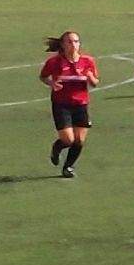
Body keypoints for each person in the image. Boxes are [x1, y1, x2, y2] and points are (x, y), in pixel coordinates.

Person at [38, 31, 98, 177]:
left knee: (79, 140)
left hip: (81, 104)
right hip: (61, 104)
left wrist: (90, 77)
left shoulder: (87, 61)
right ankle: (57, 148)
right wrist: (52, 83)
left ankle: (68, 167)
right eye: (69, 42)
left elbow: (95, 83)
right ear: (63, 45)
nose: (73, 45)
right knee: (68, 139)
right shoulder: (54, 62)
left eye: (76, 41)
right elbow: (43, 77)